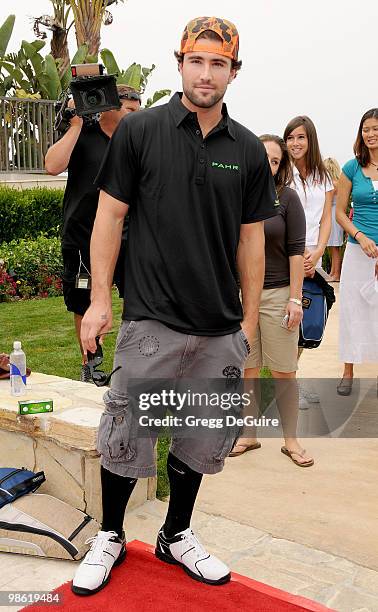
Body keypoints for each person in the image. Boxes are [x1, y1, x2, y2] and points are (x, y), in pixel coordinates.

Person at [73, 16, 277, 595]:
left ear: (233, 73)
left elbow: (251, 240)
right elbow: (109, 216)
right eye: (197, 60)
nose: (206, 73)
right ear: (179, 63)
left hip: (217, 328)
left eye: (219, 64)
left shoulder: (247, 151)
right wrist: (98, 302)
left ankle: (175, 534)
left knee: (201, 435)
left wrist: (246, 321)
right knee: (126, 430)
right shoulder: (140, 131)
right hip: (151, 319)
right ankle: (110, 535)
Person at [45, 86, 141, 382]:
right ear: (111, 107)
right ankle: (92, 364)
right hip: (82, 238)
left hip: (130, 237)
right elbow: (52, 166)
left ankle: (134, 364)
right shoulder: (83, 135)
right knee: (84, 302)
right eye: (130, 110)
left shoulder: (136, 142)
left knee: (138, 301)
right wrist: (75, 123)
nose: (135, 117)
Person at [229, 135, 313, 467]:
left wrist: (295, 297)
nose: (267, 164)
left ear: (280, 167)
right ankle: (249, 435)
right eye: (262, 156)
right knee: (248, 369)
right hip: (241, 296)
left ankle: (290, 440)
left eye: (275, 160)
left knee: (283, 372)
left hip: (279, 294)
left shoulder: (288, 199)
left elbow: (296, 251)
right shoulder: (236, 196)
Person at [284, 116, 334, 409]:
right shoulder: (282, 173)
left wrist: (317, 254)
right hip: (288, 254)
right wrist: (297, 254)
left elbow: (326, 218)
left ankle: (294, 382)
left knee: (307, 317)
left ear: (310, 140)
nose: (295, 143)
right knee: (288, 321)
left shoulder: (323, 175)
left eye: (300, 137)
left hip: (313, 257)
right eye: (290, 138)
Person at [335, 108, 378, 396]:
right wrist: (360, 236)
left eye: (376, 128)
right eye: (366, 129)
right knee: (352, 311)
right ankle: (348, 372)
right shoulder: (351, 168)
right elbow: (339, 213)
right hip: (357, 251)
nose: (371, 134)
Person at [324, 158, 344, 281]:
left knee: (334, 246)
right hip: (336, 214)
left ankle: (336, 274)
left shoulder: (332, 184)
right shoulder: (339, 182)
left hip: (333, 214)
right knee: (333, 246)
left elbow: (328, 201)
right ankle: (333, 272)